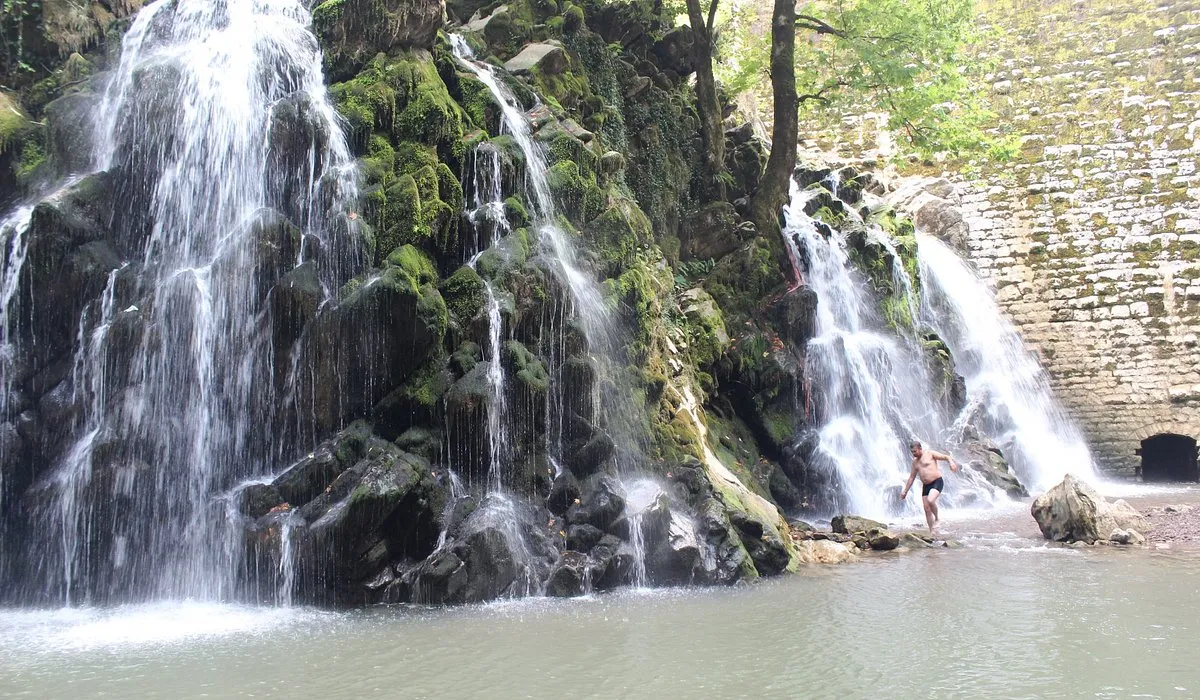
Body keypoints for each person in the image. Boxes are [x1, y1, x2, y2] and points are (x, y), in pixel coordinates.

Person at [900, 440, 959, 534]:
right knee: (926, 509)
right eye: (912, 452)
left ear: (920, 448)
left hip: (937, 481)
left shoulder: (930, 454)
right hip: (926, 486)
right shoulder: (915, 463)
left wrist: (951, 463)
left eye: (915, 451)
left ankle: (937, 518)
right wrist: (905, 491)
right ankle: (932, 532)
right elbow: (911, 477)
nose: (913, 454)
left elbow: (946, 457)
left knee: (930, 500)